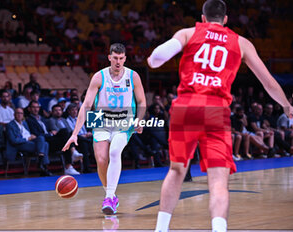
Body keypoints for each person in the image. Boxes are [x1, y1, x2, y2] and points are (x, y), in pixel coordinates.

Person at [147, 1, 293, 232]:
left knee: (176, 170)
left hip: (185, 107)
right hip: (216, 110)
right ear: (225, 19)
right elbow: (267, 82)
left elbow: (156, 58)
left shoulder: (189, 32)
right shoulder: (241, 43)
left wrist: (153, 60)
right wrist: (286, 104)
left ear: (203, 18)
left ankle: (161, 229)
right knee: (217, 179)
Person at [62, 43, 146, 215]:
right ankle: (112, 195)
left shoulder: (133, 76)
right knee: (101, 160)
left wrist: (139, 120)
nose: (118, 61)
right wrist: (74, 133)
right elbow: (86, 105)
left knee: (114, 152)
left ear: (125, 59)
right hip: (100, 120)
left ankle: (108, 197)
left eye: (121, 58)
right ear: (109, 57)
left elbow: (142, 102)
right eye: (115, 58)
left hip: (124, 120)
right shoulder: (99, 77)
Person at [26, 100, 82, 175]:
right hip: (44, 141)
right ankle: (72, 155)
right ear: (29, 109)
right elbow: (36, 134)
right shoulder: (29, 120)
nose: (36, 109)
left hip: (52, 139)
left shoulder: (42, 118)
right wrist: (50, 133)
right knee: (64, 132)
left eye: (37, 107)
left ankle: (69, 166)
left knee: (67, 137)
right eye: (33, 107)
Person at [6, 108, 52, 176]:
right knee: (44, 145)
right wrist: (27, 138)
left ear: (23, 115)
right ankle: (44, 167)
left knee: (42, 140)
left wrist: (31, 136)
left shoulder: (24, 123)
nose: (19, 115)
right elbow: (14, 141)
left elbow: (28, 134)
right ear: (14, 115)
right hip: (20, 144)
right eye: (18, 113)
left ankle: (41, 163)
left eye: (21, 113)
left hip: (30, 141)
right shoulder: (10, 125)